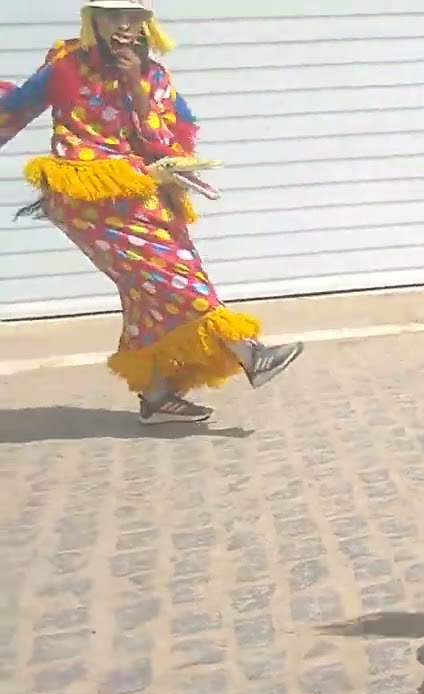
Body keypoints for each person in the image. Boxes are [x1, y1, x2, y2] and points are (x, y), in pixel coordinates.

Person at [0, 1, 302, 425]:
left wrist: (136, 87)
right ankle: (248, 353)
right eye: (112, 16)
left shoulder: (154, 75)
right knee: (174, 272)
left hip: (141, 192)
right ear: (94, 21)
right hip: (87, 197)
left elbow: (168, 140)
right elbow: (16, 109)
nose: (123, 26)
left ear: (145, 23)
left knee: (146, 290)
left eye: (133, 17)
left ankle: (157, 396)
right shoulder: (66, 64)